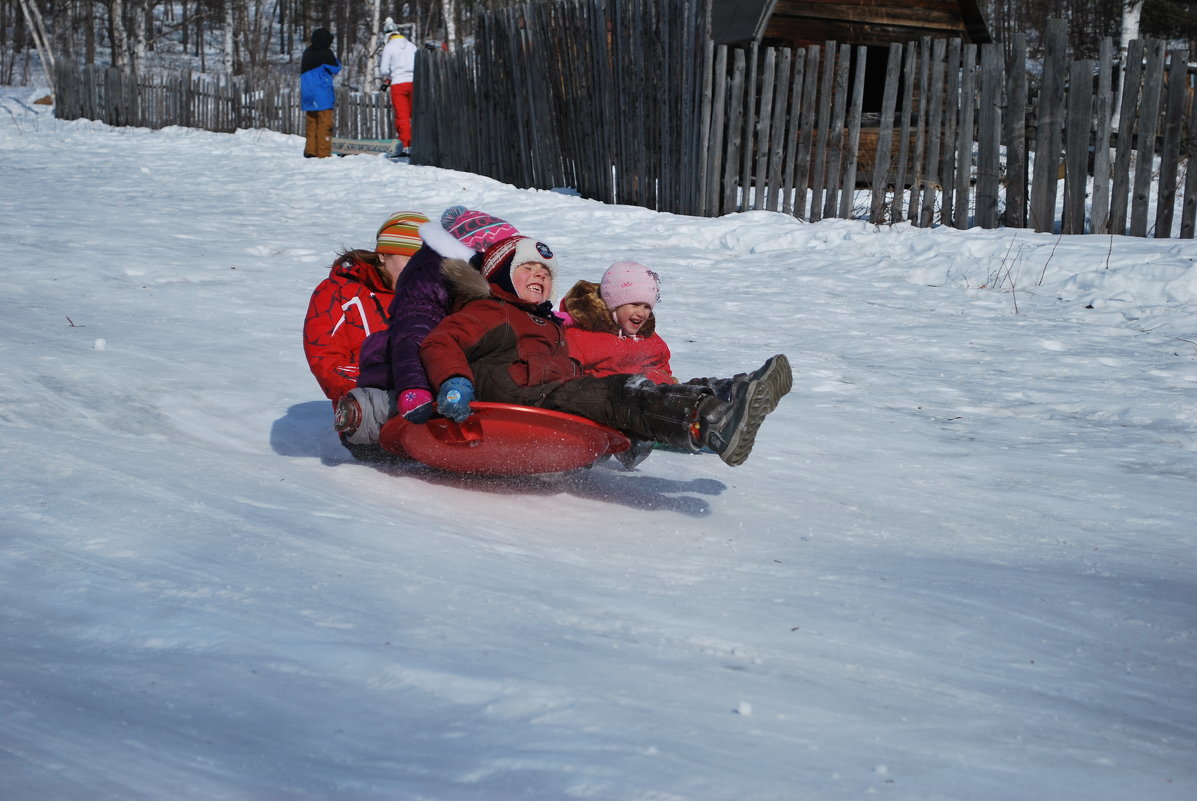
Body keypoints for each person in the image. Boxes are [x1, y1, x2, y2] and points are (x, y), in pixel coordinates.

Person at [418, 236, 793, 468]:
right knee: (623, 393)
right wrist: (454, 381)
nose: (540, 276)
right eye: (527, 268)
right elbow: (440, 342)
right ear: (500, 276)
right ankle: (712, 420)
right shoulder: (490, 311)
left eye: (546, 272)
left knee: (628, 393)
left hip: (551, 393)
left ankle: (728, 399)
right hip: (522, 393)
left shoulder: (545, 323)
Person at [335, 206, 520, 445]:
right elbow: (413, 335)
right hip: (402, 378)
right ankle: (363, 417)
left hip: (448, 378)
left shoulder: (488, 291)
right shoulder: (430, 280)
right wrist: (414, 388)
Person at [303, 210, 429, 414]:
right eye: (408, 261)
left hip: (427, 400)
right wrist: (390, 382)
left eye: (423, 264)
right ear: (382, 255)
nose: (416, 271)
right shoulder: (338, 292)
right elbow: (326, 361)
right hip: (368, 406)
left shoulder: (432, 299)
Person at [559, 260, 675, 384]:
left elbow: (663, 369)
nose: (642, 313)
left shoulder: (649, 338)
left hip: (653, 397)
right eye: (635, 304)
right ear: (613, 305)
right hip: (608, 397)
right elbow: (570, 380)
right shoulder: (580, 338)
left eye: (647, 307)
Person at [378, 18, 418, 157]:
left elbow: (383, 70)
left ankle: (405, 145)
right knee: (416, 115)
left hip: (398, 84)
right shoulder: (412, 46)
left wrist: (390, 74)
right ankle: (417, 143)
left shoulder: (389, 47)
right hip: (414, 83)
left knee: (402, 117)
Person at [299, 27, 341, 158]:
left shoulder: (306, 52)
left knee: (311, 123)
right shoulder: (326, 53)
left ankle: (310, 150)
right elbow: (336, 68)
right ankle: (323, 152)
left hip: (307, 94)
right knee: (324, 124)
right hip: (321, 94)